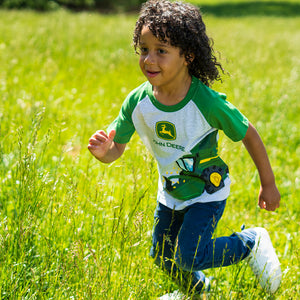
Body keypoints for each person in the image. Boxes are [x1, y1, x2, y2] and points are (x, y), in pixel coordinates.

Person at [88, 0, 282, 298]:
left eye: (161, 51)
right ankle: (197, 289)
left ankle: (250, 242)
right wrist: (105, 153)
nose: (149, 60)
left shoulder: (206, 103)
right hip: (170, 192)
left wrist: (267, 184)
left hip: (207, 191)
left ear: (187, 56)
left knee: (190, 256)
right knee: (161, 256)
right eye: (144, 49)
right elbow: (117, 147)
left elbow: (249, 134)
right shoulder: (137, 103)